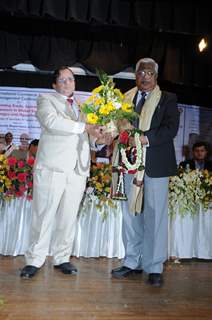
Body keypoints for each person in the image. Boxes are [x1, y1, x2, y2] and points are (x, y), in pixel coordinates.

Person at [20, 66, 102, 279]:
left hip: (78, 169)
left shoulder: (83, 106)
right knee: (44, 215)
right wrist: (85, 128)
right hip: (52, 168)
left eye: (71, 79)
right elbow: (52, 122)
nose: (67, 83)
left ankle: (62, 257)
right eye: (63, 80)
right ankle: (34, 260)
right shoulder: (46, 100)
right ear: (55, 85)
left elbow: (88, 136)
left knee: (68, 217)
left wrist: (99, 138)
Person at [111, 57, 180, 287]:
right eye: (141, 72)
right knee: (130, 216)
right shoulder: (126, 99)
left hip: (156, 167)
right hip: (128, 163)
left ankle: (154, 267)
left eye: (149, 73)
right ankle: (132, 262)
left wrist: (145, 139)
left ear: (156, 76)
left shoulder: (168, 99)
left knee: (155, 217)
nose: (145, 76)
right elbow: (115, 126)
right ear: (135, 75)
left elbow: (171, 129)